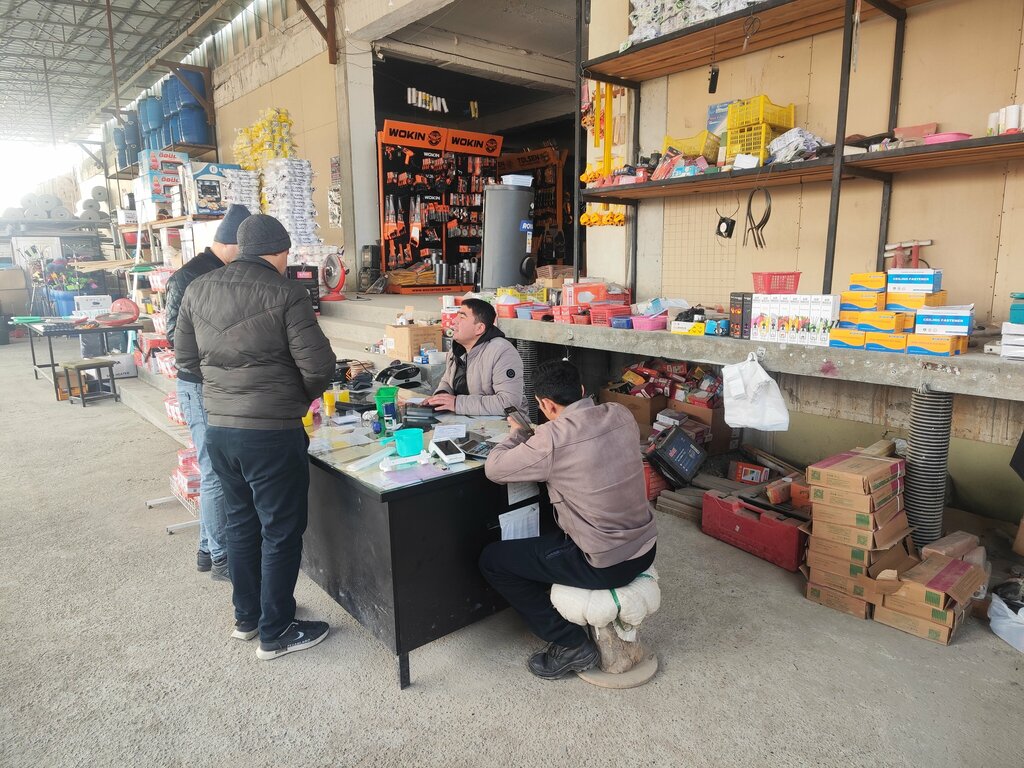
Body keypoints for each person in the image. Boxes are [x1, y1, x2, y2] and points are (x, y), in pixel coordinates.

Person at [174, 214, 337, 660]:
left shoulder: (197, 287)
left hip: (221, 431)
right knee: (281, 530)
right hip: (271, 432)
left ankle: (248, 618)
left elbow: (186, 360)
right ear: (280, 251)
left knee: (242, 523)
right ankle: (277, 630)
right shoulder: (286, 292)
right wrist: (294, 400)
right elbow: (319, 367)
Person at [480, 360, 657, 680]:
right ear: (582, 391)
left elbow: (495, 469)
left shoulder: (551, 439)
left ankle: (570, 642)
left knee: (493, 559)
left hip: (604, 562)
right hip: (646, 545)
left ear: (546, 405)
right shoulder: (620, 414)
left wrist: (518, 434)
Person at [165, 203, 250, 580]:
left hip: (222, 383)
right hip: (200, 385)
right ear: (234, 243)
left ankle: (205, 548)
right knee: (215, 472)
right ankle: (221, 558)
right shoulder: (188, 278)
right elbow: (174, 337)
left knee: (219, 468)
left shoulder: (230, 272)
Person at [423, 298, 526, 416]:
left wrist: (457, 403)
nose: (454, 321)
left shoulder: (502, 351)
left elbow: (508, 403)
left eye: (462, 317)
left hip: (506, 427)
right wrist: (440, 399)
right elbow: (447, 380)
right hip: (469, 421)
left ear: (479, 328)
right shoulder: (457, 350)